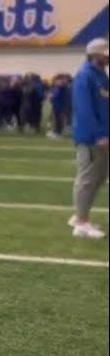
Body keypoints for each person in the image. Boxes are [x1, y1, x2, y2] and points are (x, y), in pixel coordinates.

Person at [69, 38, 109, 240]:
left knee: (99, 178)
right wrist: (99, 134)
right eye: (105, 53)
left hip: (102, 136)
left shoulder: (101, 76)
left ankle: (81, 216)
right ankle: (81, 223)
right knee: (87, 179)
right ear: (95, 54)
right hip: (91, 137)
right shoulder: (85, 76)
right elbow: (85, 110)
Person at [49, 74, 71, 138]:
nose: (56, 82)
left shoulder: (63, 87)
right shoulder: (57, 88)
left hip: (60, 106)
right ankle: (55, 131)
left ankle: (58, 133)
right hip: (56, 106)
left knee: (59, 120)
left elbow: (58, 95)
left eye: (58, 81)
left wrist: (52, 97)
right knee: (56, 120)